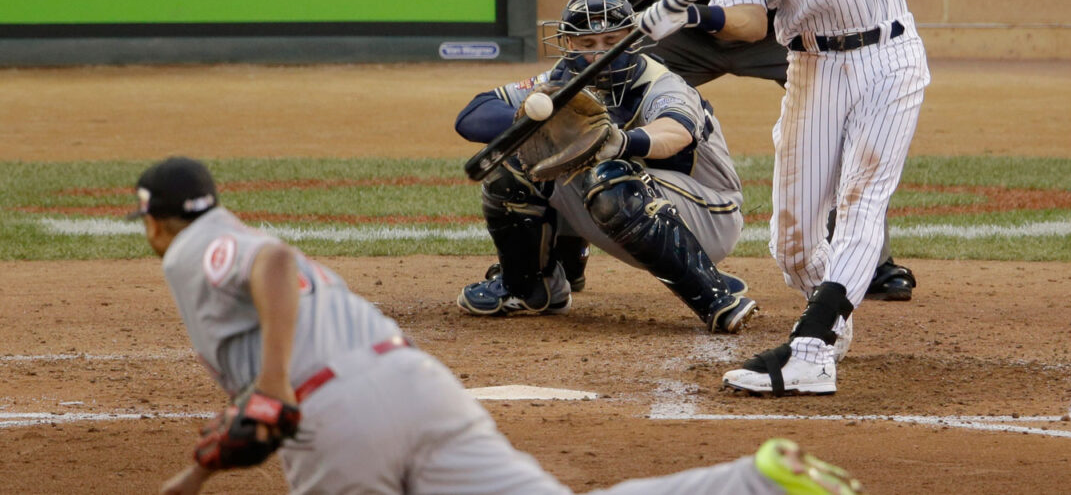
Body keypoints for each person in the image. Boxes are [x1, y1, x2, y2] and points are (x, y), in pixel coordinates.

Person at [131, 156, 863, 494]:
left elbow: (271, 263)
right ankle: (752, 482)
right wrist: (203, 465)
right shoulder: (216, 252)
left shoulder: (195, 245)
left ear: (156, 222)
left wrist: (266, 392)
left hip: (337, 413)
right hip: (414, 381)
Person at [638, 0, 930, 395]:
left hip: (889, 55)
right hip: (814, 69)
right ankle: (829, 317)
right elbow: (749, 23)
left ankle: (813, 344)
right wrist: (693, 15)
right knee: (792, 245)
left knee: (860, 202)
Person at [585, 0, 916, 302]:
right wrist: (677, 15)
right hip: (708, 29)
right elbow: (744, 21)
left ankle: (871, 261)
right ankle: (564, 253)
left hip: (803, 33)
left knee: (847, 129)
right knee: (610, 88)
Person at [455, 0, 757, 334]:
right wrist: (537, 125)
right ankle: (529, 288)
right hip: (624, 201)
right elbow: (473, 114)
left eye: (611, 40)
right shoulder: (558, 82)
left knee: (609, 175)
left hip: (707, 215)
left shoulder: (658, 83)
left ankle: (715, 297)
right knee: (515, 161)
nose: (598, 54)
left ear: (630, 38)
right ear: (568, 43)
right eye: (586, 44)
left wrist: (622, 141)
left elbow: (676, 132)